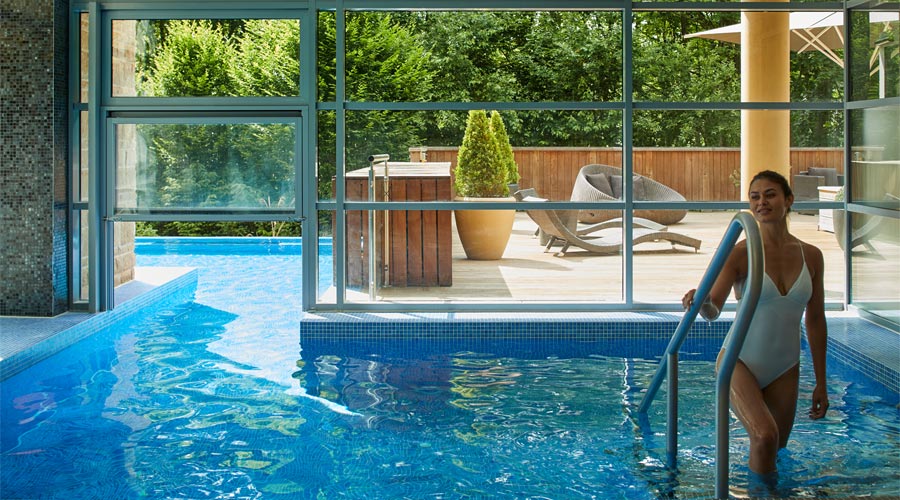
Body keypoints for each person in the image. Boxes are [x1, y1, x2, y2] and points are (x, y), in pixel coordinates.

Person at [682, 170, 829, 478]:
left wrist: (821, 381)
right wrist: (700, 300)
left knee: (775, 450)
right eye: (755, 196)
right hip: (739, 361)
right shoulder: (740, 253)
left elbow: (815, 320)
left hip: (785, 367)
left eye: (771, 194)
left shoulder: (811, 256)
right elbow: (713, 310)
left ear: (788, 200)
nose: (762, 202)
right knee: (764, 437)